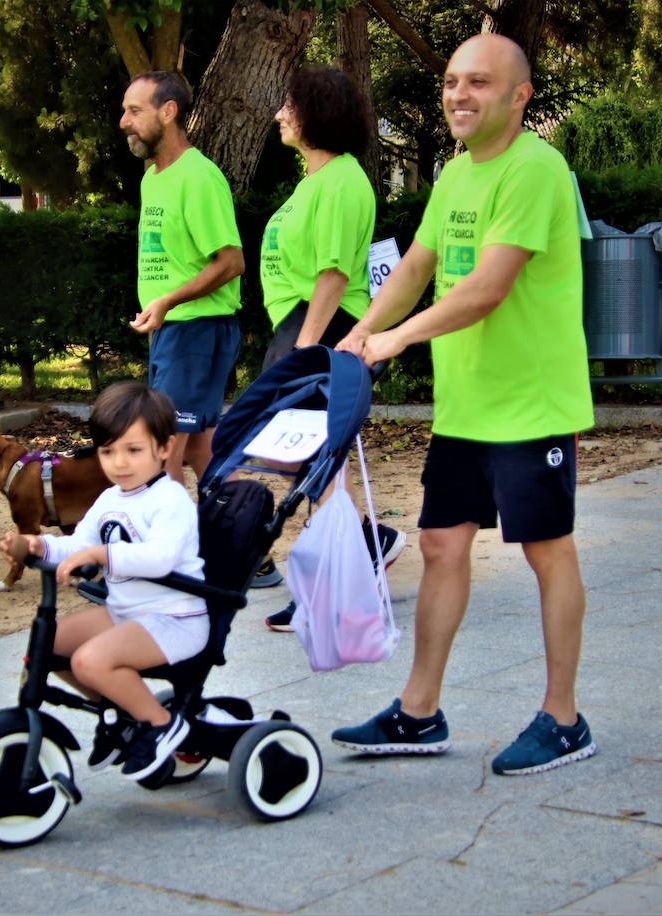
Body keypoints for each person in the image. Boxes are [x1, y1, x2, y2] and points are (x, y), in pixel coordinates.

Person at [331, 34, 596, 776]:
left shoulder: (535, 170)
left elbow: (487, 285)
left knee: (548, 553)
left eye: (479, 82)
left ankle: (564, 718)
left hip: (531, 404)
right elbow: (418, 267)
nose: (458, 95)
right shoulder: (453, 175)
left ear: (521, 96)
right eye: (451, 81)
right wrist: (358, 335)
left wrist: (397, 343)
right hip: (467, 407)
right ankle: (419, 712)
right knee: (444, 545)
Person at [256, 65, 406, 632]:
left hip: (322, 327)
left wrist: (306, 346)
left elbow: (334, 275)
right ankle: (365, 546)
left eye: (288, 106)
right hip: (302, 327)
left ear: (317, 112)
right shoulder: (315, 180)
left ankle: (324, 587)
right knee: (312, 466)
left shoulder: (343, 181)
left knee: (317, 468)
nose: (279, 116)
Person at [0, 382, 207, 781]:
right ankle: (124, 709)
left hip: (174, 619)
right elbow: (78, 545)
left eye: (133, 450)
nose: (119, 463)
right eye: (108, 451)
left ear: (164, 448)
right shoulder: (112, 498)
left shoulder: (171, 500)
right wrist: (37, 545)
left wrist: (100, 556)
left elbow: (160, 557)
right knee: (50, 643)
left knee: (89, 660)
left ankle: (161, 724)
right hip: (128, 613)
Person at [121, 70, 243, 487]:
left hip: (196, 330)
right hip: (173, 331)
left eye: (135, 111)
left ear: (168, 112)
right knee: (197, 445)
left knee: (165, 446)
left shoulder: (199, 177)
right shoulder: (152, 178)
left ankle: (166, 547)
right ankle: (236, 531)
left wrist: (167, 301)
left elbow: (231, 262)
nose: (124, 122)